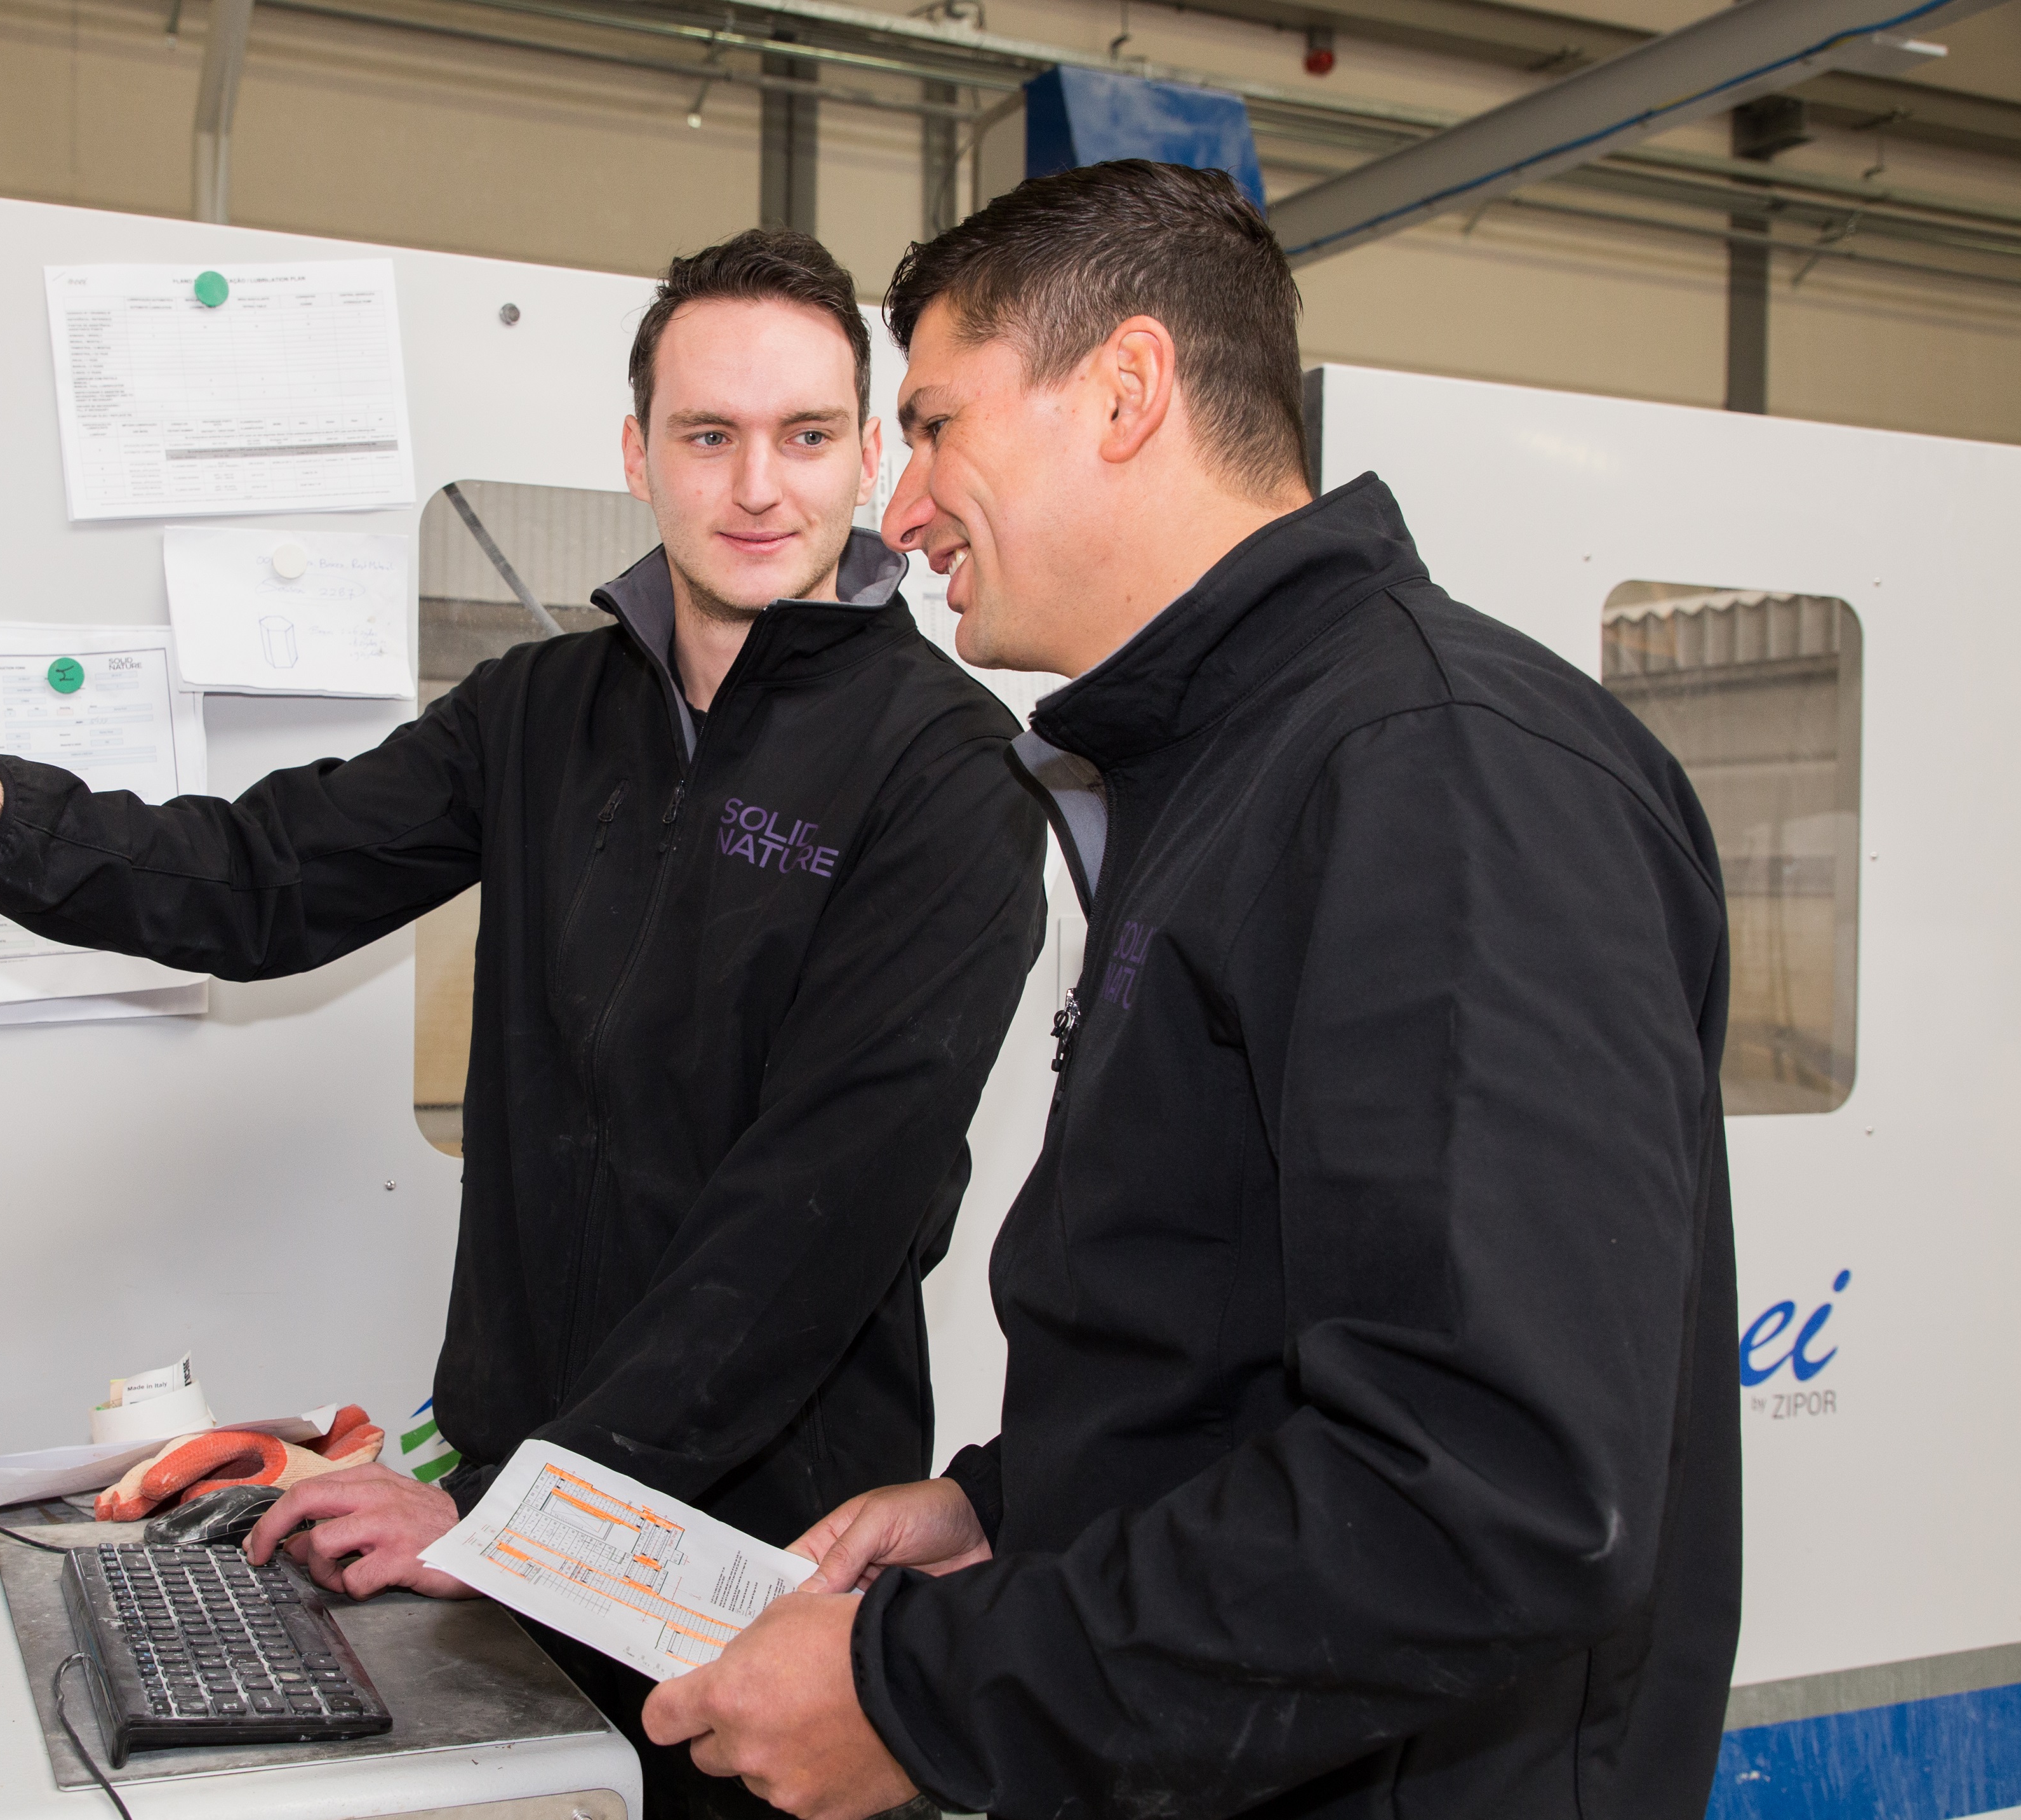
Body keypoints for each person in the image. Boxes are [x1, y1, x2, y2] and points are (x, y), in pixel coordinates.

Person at [0, 228, 1047, 1819]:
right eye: (706, 434)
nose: (758, 484)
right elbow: (260, 876)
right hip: (513, 1508)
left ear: (865, 451)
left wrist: (516, 1514)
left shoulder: (946, 772)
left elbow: (812, 1222)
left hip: (751, 1548)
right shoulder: (539, 714)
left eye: (806, 436)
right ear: (635, 454)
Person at [644, 162, 1738, 1820]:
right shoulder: (1225, 767)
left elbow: (1482, 1489)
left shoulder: (1430, 772)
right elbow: (1258, 1313)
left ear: (1127, 389)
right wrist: (1017, 1504)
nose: (905, 502)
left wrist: (920, 1693)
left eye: (933, 424)